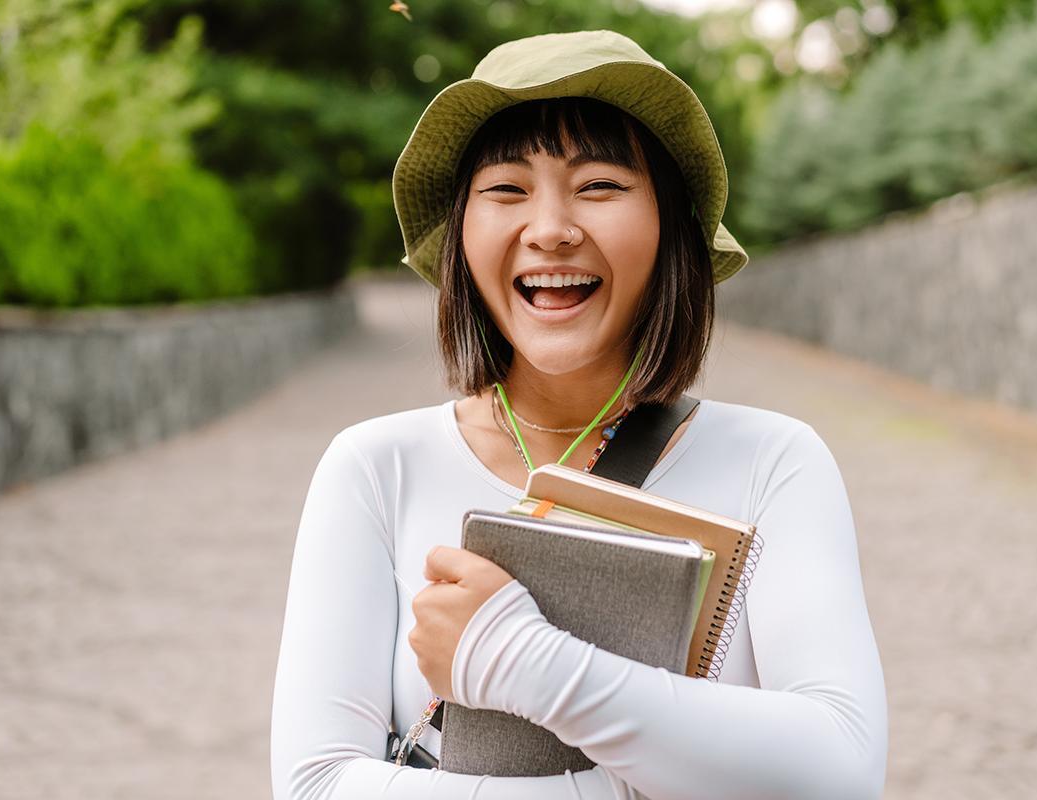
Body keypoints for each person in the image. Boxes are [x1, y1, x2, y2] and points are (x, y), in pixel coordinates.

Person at [270, 29, 887, 800]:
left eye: (599, 185)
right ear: (463, 233)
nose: (552, 227)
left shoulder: (774, 461)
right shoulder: (373, 468)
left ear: (669, 231)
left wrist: (525, 662)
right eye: (505, 189)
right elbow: (317, 785)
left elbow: (843, 770)